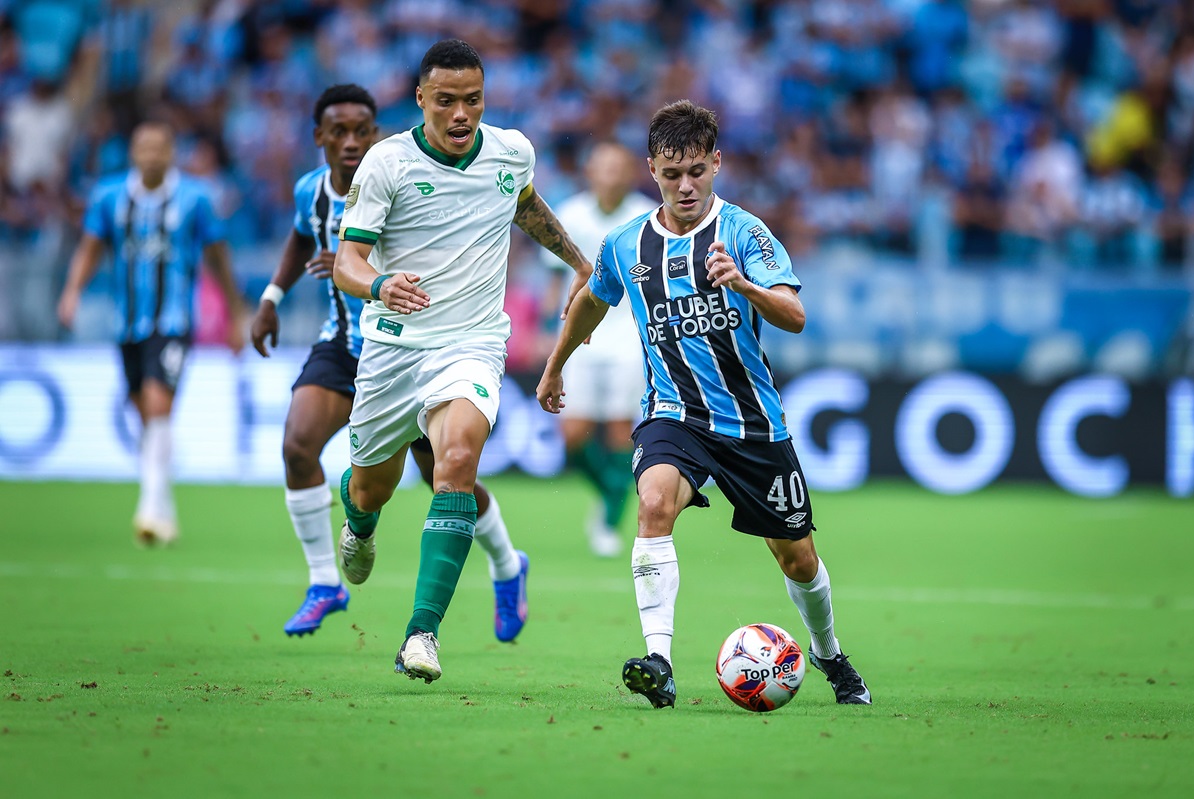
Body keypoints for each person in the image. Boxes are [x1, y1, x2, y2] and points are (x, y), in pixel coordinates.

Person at [536, 100, 872, 708]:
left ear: (717, 163)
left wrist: (743, 285)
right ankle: (659, 661)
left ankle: (830, 655)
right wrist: (557, 364)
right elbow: (591, 296)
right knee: (655, 502)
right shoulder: (627, 244)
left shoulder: (744, 232)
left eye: (696, 170)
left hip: (753, 425)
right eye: (671, 174)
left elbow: (794, 315)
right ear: (652, 170)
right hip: (674, 415)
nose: (685, 185)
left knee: (797, 559)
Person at [331, 40, 592, 684]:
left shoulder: (511, 150)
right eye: (445, 101)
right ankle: (359, 523)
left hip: (471, 344)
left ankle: (422, 635)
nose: (459, 115)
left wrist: (580, 262)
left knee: (456, 462)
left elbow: (523, 205)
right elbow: (347, 261)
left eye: (471, 101)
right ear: (420, 99)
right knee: (372, 487)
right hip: (394, 348)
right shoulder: (386, 164)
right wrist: (378, 285)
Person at [249, 84, 530, 642]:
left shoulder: (408, 168)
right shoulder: (314, 193)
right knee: (298, 446)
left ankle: (506, 564)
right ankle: (324, 581)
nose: (351, 143)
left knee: (448, 474)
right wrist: (271, 299)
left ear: (375, 134)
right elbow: (299, 243)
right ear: (320, 139)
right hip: (349, 347)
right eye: (339, 133)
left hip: (426, 349)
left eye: (361, 131)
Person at [57, 120, 246, 545]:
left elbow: (219, 257)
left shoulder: (196, 199)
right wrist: (72, 291)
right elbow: (90, 247)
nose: (151, 155)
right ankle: (164, 506)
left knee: (160, 404)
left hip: (175, 321)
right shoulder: (109, 197)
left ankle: (148, 507)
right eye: (144, 147)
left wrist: (236, 313)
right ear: (133, 153)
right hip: (126, 322)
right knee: (144, 410)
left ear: (171, 152)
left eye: (159, 147)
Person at [541, 141, 658, 557]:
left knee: (619, 433)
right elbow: (557, 277)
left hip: (629, 333)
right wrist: (546, 326)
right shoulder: (570, 214)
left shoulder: (646, 216)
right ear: (589, 173)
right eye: (602, 167)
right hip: (581, 334)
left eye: (617, 167)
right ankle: (612, 490)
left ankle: (609, 518)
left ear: (631, 173)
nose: (610, 175)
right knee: (572, 434)